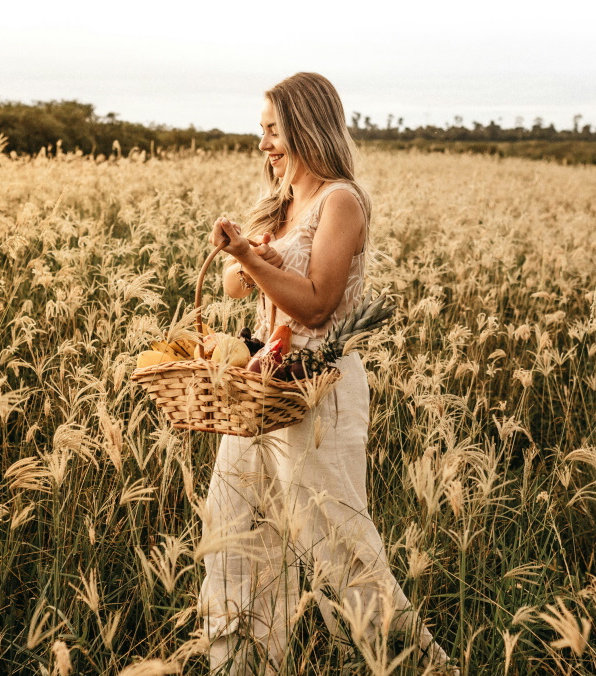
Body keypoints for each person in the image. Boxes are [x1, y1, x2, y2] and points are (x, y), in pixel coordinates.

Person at [201, 72, 456, 675]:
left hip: (318, 391)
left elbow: (316, 303)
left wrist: (250, 258)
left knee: (338, 546)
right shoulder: (282, 201)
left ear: (305, 127)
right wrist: (244, 250)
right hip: (259, 390)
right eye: (261, 131)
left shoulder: (340, 200)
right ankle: (242, 665)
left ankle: (414, 665)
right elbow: (237, 286)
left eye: (273, 130)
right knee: (238, 536)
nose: (263, 143)